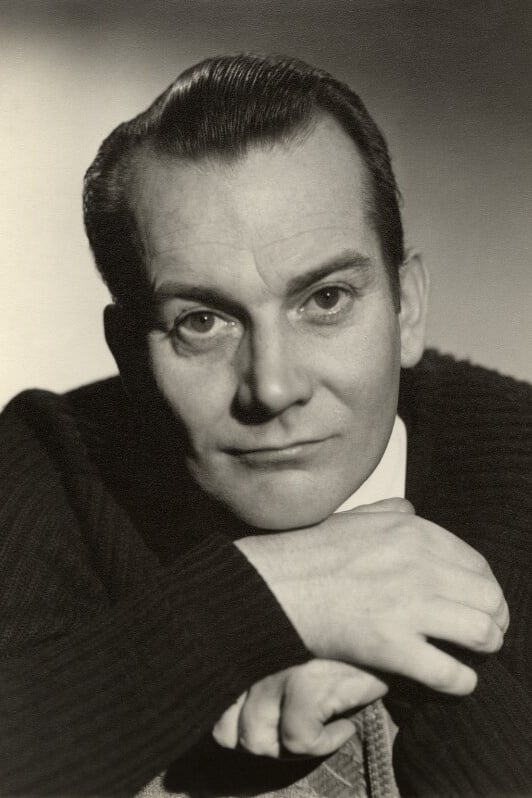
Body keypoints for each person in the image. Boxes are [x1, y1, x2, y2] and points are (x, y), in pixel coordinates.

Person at [0, 53, 530, 797]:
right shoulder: (54, 458)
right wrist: (270, 596)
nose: (273, 387)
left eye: (325, 300)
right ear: (128, 354)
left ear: (406, 308)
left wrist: (399, 669)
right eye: (202, 321)